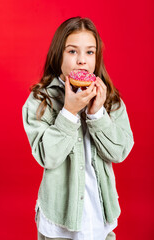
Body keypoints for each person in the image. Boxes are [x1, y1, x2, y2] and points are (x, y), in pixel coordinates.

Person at [22, 17, 134, 240]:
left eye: (90, 52)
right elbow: (48, 157)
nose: (82, 60)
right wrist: (69, 112)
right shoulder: (39, 100)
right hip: (59, 224)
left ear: (97, 57)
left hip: (99, 219)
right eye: (72, 51)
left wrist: (97, 115)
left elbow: (120, 152)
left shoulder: (110, 100)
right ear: (58, 55)